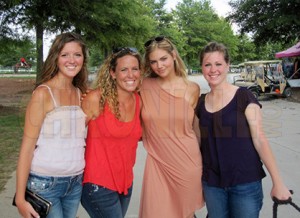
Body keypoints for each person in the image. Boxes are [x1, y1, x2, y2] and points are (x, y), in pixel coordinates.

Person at [195, 41, 292, 218]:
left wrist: (278, 183)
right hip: (212, 184)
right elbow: (197, 143)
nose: (213, 69)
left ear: (227, 65)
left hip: (245, 183)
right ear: (201, 67)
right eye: (207, 64)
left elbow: (260, 139)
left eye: (218, 64)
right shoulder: (200, 103)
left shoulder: (243, 96)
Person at [15, 32, 89, 218]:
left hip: (75, 182)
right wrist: (20, 199)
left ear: (83, 59)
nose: (72, 60)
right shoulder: (43, 93)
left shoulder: (81, 93)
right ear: (56, 58)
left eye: (77, 55)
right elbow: (27, 147)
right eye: (65, 55)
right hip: (45, 183)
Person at [139, 36, 205, 218]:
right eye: (153, 61)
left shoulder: (193, 88)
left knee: (184, 213)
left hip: (187, 162)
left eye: (163, 59)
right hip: (157, 161)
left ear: (174, 55)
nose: (159, 66)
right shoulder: (143, 85)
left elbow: (195, 129)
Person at [81, 47, 143, 218]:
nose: (130, 75)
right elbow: (71, 137)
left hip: (125, 184)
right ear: (113, 73)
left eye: (134, 69)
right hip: (97, 184)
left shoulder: (139, 101)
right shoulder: (96, 99)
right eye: (124, 69)